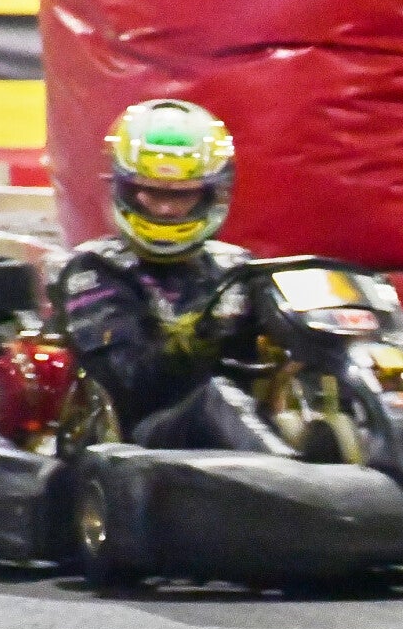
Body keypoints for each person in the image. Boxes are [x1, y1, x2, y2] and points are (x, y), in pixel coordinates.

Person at [45, 98, 291, 453]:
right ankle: (296, 477)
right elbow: (128, 382)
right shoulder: (94, 270)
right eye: (152, 192)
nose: (164, 209)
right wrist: (206, 333)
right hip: (139, 443)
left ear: (210, 194)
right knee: (219, 399)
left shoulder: (237, 267)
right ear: (125, 189)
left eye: (182, 195)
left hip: (235, 436)